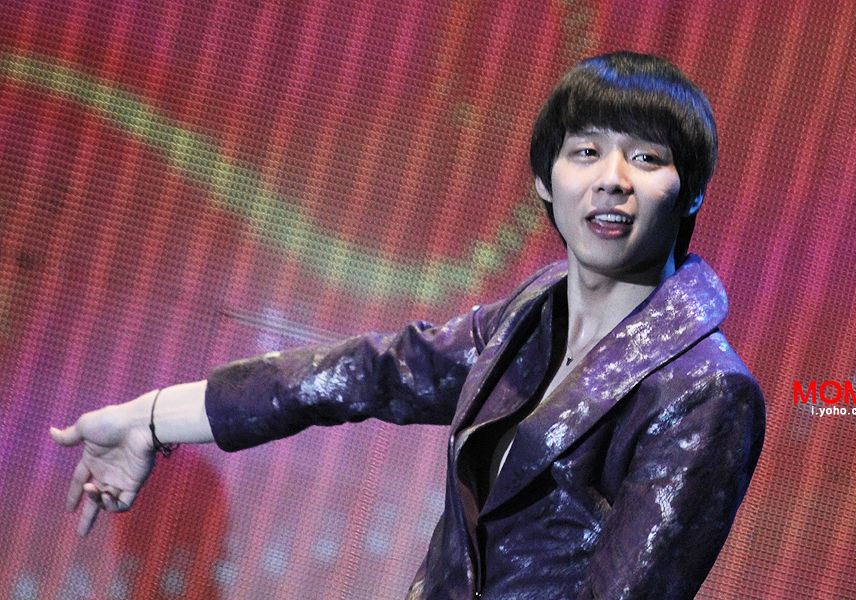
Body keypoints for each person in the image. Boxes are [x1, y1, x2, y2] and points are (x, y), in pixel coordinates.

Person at [52, 51, 765, 599]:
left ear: (691, 192)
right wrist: (149, 418)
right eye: (586, 152)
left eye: (646, 158)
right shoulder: (533, 312)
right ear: (544, 182)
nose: (613, 178)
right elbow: (369, 374)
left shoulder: (704, 391)